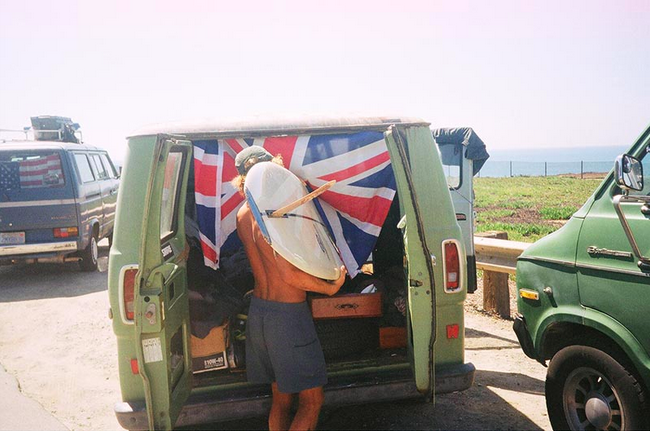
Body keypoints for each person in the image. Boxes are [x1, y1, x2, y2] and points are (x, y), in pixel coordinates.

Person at [232, 146, 347, 431]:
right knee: (311, 401)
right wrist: (329, 288)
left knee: (281, 400)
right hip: (287, 318)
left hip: (260, 314)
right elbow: (289, 273)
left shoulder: (243, 214)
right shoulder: (274, 215)